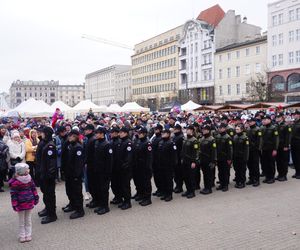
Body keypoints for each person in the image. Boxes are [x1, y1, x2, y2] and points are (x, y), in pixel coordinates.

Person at [9, 163, 39, 243]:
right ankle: (22, 235)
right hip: (21, 204)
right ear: (22, 171)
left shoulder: (29, 179)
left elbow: (33, 189)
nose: (29, 170)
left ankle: (28, 234)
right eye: (27, 169)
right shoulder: (15, 182)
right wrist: (15, 204)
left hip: (28, 202)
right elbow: (13, 194)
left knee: (27, 220)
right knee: (22, 221)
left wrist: (36, 197)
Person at [62, 129, 85, 219]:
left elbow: (79, 164)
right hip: (70, 173)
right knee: (70, 190)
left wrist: (77, 175)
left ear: (75, 137)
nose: (69, 137)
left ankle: (80, 210)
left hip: (75, 175)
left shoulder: (78, 147)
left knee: (77, 192)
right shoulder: (71, 146)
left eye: (70, 136)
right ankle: (73, 205)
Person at [38, 126, 57, 224]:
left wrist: (50, 175)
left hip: (48, 175)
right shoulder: (44, 143)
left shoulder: (50, 146)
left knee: (50, 194)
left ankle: (52, 215)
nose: (41, 134)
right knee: (46, 193)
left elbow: (51, 163)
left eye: (43, 132)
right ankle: (48, 209)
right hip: (44, 173)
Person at [93, 127, 113, 214]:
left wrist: (107, 172)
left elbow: (110, 160)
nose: (96, 134)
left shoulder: (107, 144)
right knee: (99, 189)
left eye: (97, 133)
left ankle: (105, 207)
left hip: (104, 171)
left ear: (102, 134)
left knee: (104, 189)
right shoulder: (97, 142)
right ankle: (101, 205)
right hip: (98, 170)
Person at [132, 126, 153, 206]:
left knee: (146, 183)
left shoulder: (147, 143)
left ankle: (147, 198)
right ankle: (141, 194)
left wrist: (148, 167)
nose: (138, 134)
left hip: (145, 166)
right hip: (138, 166)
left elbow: (149, 157)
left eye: (140, 133)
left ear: (144, 134)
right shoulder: (139, 141)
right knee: (139, 182)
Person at [115, 127, 133, 210]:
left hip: (125, 168)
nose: (120, 134)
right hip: (120, 168)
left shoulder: (128, 143)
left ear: (126, 133)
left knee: (126, 185)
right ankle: (124, 200)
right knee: (121, 185)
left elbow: (129, 157)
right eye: (120, 132)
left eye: (122, 132)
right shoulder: (121, 142)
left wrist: (125, 166)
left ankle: (127, 202)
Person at [157, 129, 177, 202]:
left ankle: (169, 195)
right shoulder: (161, 142)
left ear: (168, 134)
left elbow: (174, 155)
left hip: (168, 165)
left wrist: (173, 165)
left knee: (168, 180)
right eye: (162, 133)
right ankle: (165, 193)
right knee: (163, 180)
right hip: (161, 164)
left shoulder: (171, 143)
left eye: (164, 133)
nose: (162, 134)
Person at [181, 125, 199, 198]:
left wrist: (194, 162)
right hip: (185, 160)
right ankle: (188, 190)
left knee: (191, 177)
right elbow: (183, 150)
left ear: (191, 130)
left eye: (188, 129)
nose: (186, 130)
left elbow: (196, 152)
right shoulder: (185, 139)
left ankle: (192, 192)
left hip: (191, 161)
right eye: (186, 129)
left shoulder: (194, 140)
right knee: (185, 177)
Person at [261, 115, 279, 184]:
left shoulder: (274, 128)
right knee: (265, 163)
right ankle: (267, 177)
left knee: (271, 163)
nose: (264, 121)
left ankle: (272, 177)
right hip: (264, 148)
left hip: (271, 148)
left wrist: (275, 149)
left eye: (265, 119)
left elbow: (276, 139)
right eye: (263, 119)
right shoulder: (263, 128)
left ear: (269, 120)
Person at [199, 125, 217, 195]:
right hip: (203, 159)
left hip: (209, 159)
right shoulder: (202, 138)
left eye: (205, 129)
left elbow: (214, 151)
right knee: (204, 174)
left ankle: (209, 188)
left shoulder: (212, 139)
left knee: (208, 175)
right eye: (203, 129)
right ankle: (206, 187)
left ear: (208, 130)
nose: (203, 130)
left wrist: (213, 161)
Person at [215, 123, 233, 192]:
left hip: (225, 158)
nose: (220, 129)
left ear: (224, 129)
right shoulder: (218, 136)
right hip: (219, 157)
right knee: (220, 172)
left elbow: (230, 149)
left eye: (221, 128)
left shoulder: (227, 137)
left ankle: (225, 185)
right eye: (219, 128)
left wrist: (229, 158)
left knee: (225, 172)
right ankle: (221, 184)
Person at [83, 124, 97, 209]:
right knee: (90, 184)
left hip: (92, 165)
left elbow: (93, 154)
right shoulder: (89, 139)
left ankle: (96, 200)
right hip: (89, 164)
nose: (85, 131)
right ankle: (94, 199)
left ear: (91, 130)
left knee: (94, 184)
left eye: (87, 130)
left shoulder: (93, 139)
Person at [246, 118, 262, 187]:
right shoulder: (248, 129)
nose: (250, 123)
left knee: (255, 165)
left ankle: (256, 179)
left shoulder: (258, 129)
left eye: (251, 122)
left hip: (255, 150)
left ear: (254, 122)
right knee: (250, 165)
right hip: (249, 150)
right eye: (249, 122)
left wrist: (258, 148)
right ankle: (251, 178)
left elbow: (260, 140)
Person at [275, 113, 291, 181]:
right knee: (278, 161)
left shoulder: (286, 125)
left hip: (284, 146)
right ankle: (280, 174)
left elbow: (288, 137)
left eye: (279, 117)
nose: (277, 118)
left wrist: (286, 145)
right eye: (277, 117)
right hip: (278, 146)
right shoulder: (276, 125)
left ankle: (284, 175)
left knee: (284, 161)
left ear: (282, 118)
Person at [233, 124, 249, 189]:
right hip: (236, 156)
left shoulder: (245, 138)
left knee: (242, 170)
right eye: (236, 129)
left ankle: (242, 182)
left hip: (242, 156)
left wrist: (245, 158)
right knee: (237, 169)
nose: (236, 131)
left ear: (242, 130)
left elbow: (246, 149)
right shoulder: (235, 137)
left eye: (238, 129)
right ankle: (238, 181)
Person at [109, 127, 122, 205]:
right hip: (112, 166)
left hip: (118, 166)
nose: (111, 134)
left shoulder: (119, 142)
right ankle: (117, 196)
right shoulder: (111, 142)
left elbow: (119, 156)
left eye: (112, 132)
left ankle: (120, 197)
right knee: (113, 183)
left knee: (118, 183)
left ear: (117, 133)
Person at [151, 124, 163, 197]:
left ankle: (162, 189)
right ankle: (159, 189)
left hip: (159, 160)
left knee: (160, 176)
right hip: (154, 159)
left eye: (157, 129)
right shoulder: (155, 138)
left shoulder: (161, 138)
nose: (155, 131)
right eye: (155, 129)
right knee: (156, 176)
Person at [172, 124, 184, 193]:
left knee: (179, 173)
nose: (174, 130)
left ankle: (180, 186)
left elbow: (182, 149)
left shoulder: (181, 137)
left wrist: (180, 157)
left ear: (179, 129)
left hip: (179, 157)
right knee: (175, 174)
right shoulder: (174, 137)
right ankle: (177, 185)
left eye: (175, 129)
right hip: (174, 157)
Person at [291, 110, 300, 179]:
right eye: (294, 114)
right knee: (294, 158)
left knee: (298, 158)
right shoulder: (294, 122)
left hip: (298, 142)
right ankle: (297, 172)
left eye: (296, 114)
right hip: (293, 142)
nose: (294, 115)